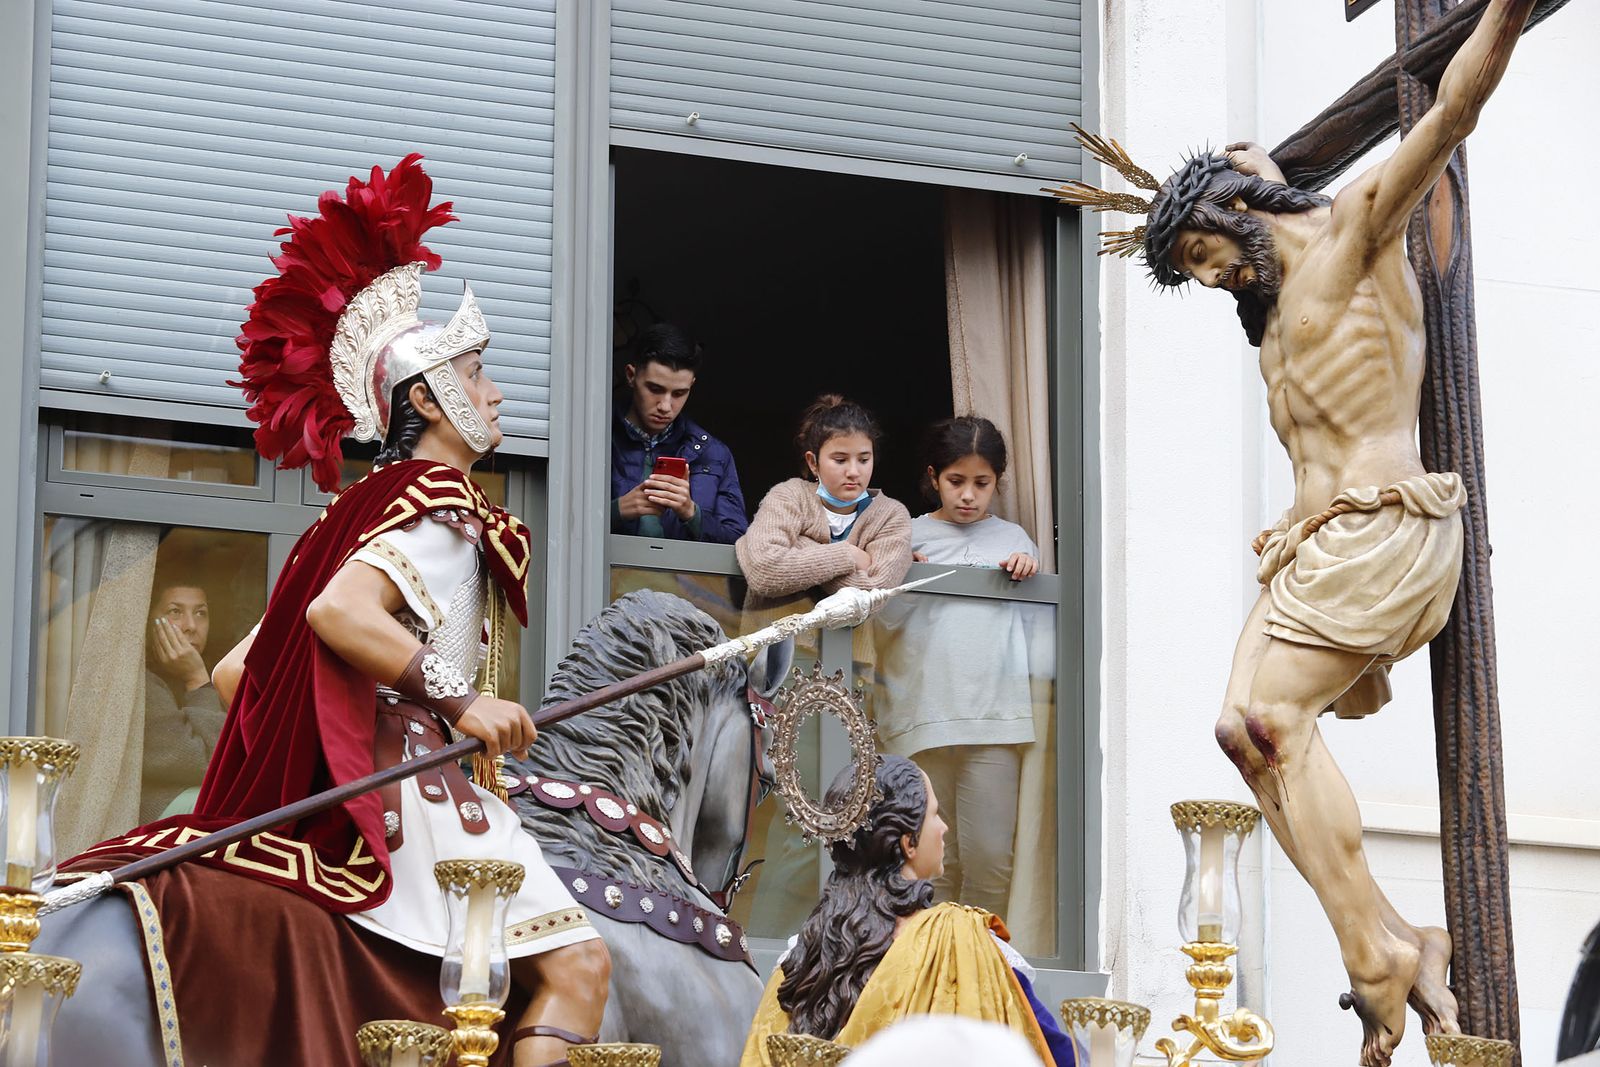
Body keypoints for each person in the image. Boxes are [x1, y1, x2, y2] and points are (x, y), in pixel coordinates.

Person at [1055, 3, 1535, 1061]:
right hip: (1311, 547)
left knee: (1268, 719)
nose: (1213, 276)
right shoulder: (1272, 311)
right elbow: (1261, 206)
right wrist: (1257, 169)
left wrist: (1500, 10)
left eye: (1202, 250)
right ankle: (1397, 938)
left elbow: (1451, 107)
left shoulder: (1360, 231)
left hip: (1385, 530)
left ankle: (1379, 955)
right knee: (1243, 732)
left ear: (1237, 209)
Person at [65, 156, 609, 1067]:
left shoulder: (345, 511)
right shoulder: (438, 493)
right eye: (478, 375)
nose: (497, 393)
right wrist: (463, 702)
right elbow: (340, 615)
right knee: (581, 968)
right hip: (418, 789)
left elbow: (244, 671)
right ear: (428, 399)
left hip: (360, 782)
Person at [738, 755, 1073, 1066]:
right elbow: (1054, 1053)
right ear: (907, 842)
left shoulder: (796, 966)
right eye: (934, 815)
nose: (944, 828)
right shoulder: (962, 945)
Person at [879, 416, 1049, 918]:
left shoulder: (1015, 540)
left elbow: (1039, 636)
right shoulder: (906, 534)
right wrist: (901, 573)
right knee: (930, 864)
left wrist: (1030, 575)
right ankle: (927, 972)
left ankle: (981, 973)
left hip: (995, 720)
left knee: (992, 860)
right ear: (934, 477)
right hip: (921, 717)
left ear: (998, 481)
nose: (969, 495)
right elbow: (881, 627)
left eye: (982, 483)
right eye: (956, 481)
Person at [735, 394, 912, 610]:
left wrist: (799, 546)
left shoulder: (890, 515)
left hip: (848, 645)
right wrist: (848, 555)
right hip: (775, 643)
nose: (854, 472)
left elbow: (872, 597)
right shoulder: (789, 496)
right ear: (813, 462)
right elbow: (764, 572)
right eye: (840, 460)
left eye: (864, 459)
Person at [611, 322, 748, 543]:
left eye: (679, 393)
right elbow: (555, 522)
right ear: (630, 376)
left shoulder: (713, 453)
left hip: (684, 578)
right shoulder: (593, 438)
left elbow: (738, 544)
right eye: (655, 389)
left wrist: (690, 513)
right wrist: (616, 511)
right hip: (606, 577)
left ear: (692, 385)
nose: (665, 406)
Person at [141, 578, 226, 823]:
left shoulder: (220, 678)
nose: (191, 626)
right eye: (175, 611)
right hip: (153, 818)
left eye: (201, 613)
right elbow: (208, 764)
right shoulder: (140, 683)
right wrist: (196, 678)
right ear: (148, 620)